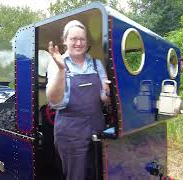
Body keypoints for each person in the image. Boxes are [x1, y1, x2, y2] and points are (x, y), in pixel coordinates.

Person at [46, 20, 110, 180]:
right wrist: (62, 70)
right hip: (70, 130)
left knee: (98, 171)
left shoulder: (96, 64)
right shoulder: (57, 63)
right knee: (76, 175)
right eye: (74, 38)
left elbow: (104, 99)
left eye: (82, 39)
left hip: (97, 125)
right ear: (65, 40)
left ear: (87, 42)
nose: (78, 43)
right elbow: (54, 101)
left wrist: (107, 94)